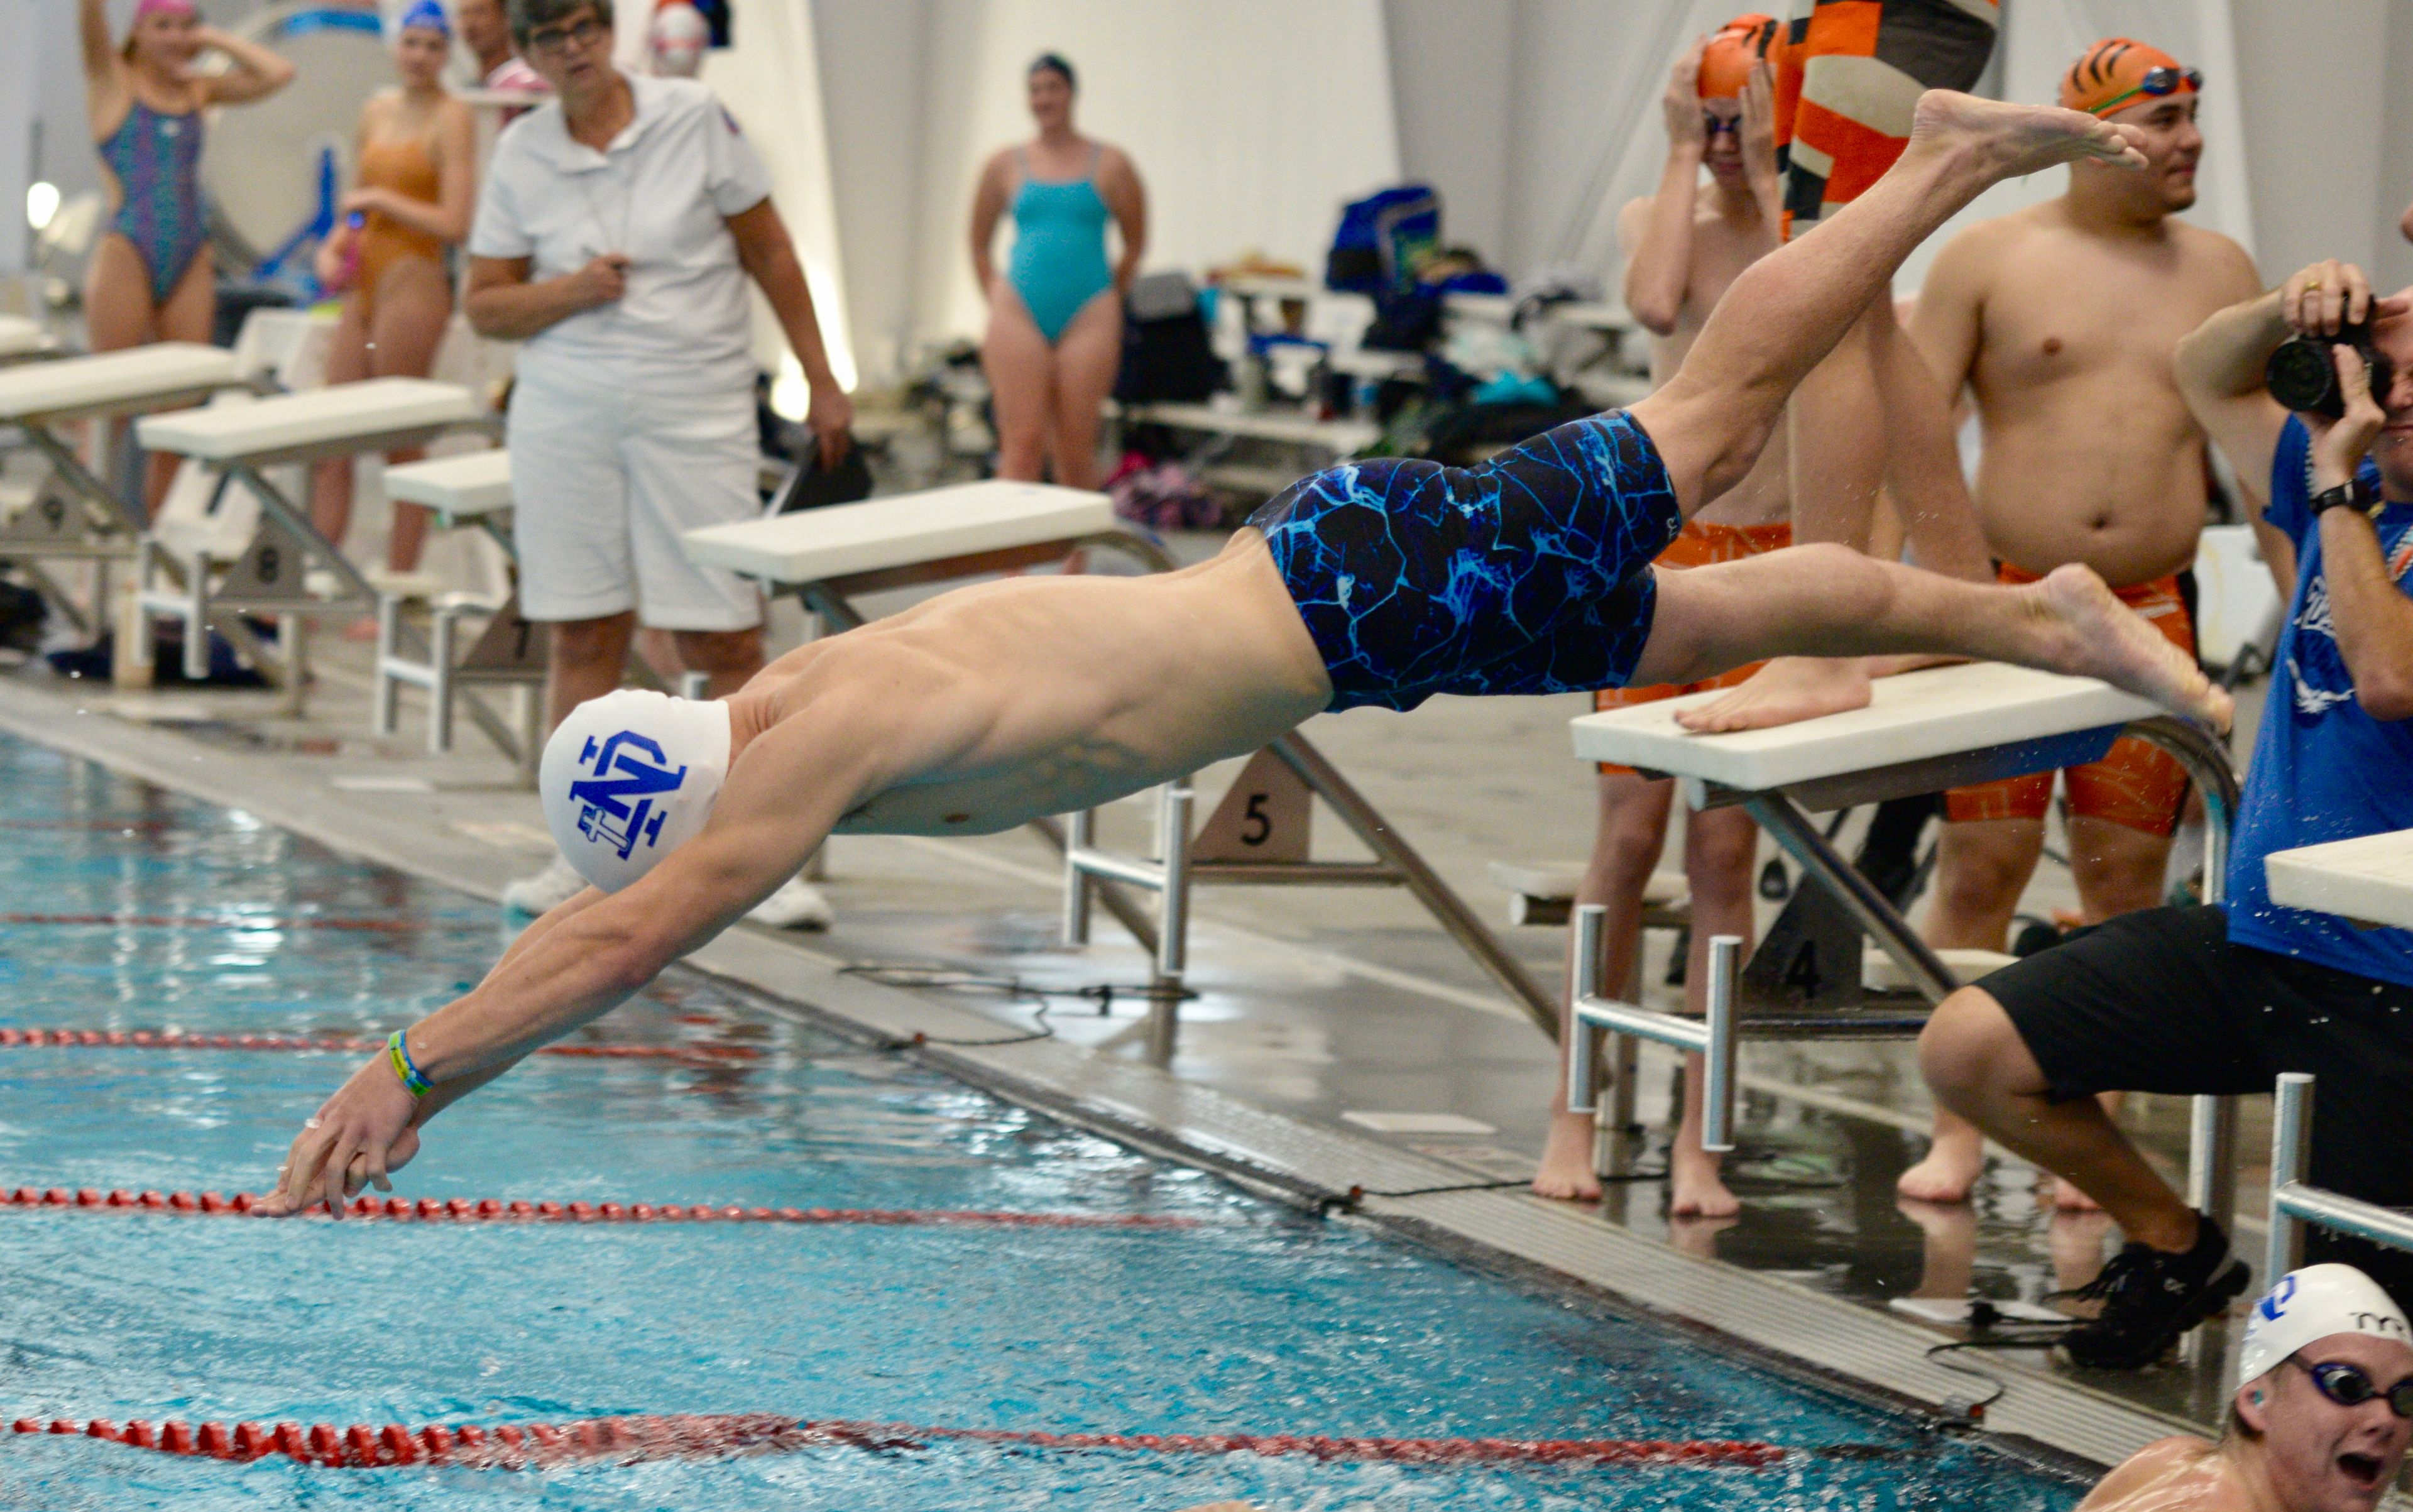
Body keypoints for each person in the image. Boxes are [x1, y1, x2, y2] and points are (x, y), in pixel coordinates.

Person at [253, 92, 2226, 1222]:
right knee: (1697, 612)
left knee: (1703, 424)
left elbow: (618, 939)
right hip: (1342, 607)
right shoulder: (768, 704)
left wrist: (413, 1065)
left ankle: (1939, 163)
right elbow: (613, 905)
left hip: (1353, 591)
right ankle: (2033, 616)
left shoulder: (792, 764)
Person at [1916, 258, 2413, 1370]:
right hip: (2263, 945)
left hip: (2396, 984)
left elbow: (2390, 678)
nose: (2394, 398)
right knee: (1973, 1045)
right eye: (2382, 374)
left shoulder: (2344, 498)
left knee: (2348, 1351)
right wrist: (2291, 307)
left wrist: (2335, 492)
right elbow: (2204, 366)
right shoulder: (2348, 482)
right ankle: (2175, 1246)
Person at [1891, 40, 2263, 1210]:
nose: (2190, 138)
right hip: (2010, 605)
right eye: (2165, 119)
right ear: (2092, 131)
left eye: (2195, 114)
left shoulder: (2222, 267)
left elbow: (2261, 461)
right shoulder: (1993, 255)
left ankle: (2075, 1125)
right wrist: (1933, 590)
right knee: (1983, 868)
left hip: (2152, 607)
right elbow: (1912, 424)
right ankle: (1959, 1125)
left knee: (2126, 882)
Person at [1152, 1264, 2413, 1512]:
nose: (2381, 1421)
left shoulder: (2172, 1470)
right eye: (2348, 1385)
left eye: (2404, 1401)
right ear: (2257, 1397)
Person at [461, 0, 851, 930]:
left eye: (587, 27)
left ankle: (762, 853)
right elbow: (484, 307)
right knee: (582, 632)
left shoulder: (693, 118)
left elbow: (770, 248)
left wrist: (823, 377)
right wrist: (573, 290)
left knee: (723, 634)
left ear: (610, 30)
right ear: (528, 54)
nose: (575, 49)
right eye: (552, 37)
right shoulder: (521, 154)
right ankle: (584, 852)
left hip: (697, 403)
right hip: (567, 410)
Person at [1535, 18, 1788, 1216]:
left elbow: (1808, 285)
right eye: (1715, 121)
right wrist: (1686, 149)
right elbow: (1650, 304)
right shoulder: (1662, 218)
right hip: (1666, 557)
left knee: (1725, 855)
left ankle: (1702, 1139)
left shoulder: (1803, 231)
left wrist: (1777, 167)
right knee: (1628, 841)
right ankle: (1575, 1110)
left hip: (1774, 562)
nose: (1732, 145)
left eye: (1747, 121)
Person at [1682, 0, 2002, 736]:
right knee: (1864, 308)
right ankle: (1958, 595)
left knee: (1827, 307)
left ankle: (1820, 643)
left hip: (1889, 16)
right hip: (1837, 18)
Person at [77, 0, 293, 510]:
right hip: (128, 246)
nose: (176, 38)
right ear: (138, 32)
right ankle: (94, 546)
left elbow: (279, 72)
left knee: (180, 405)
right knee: (107, 407)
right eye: (163, 27)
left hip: (189, 253)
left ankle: (153, 547)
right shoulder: (112, 79)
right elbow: (88, 18)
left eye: (184, 27)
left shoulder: (198, 88)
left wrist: (213, 38)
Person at [309, 1, 478, 590]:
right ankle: (319, 574)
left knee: (397, 442)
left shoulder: (453, 116)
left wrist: (381, 204)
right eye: (412, 44)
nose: (421, 57)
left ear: (447, 54)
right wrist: (333, 246)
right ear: (394, 46)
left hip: (416, 281)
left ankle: (398, 585)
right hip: (364, 282)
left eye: (434, 47)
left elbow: (457, 221)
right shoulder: (375, 110)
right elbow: (355, 202)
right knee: (331, 439)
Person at [968, 53, 1146, 491]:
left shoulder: (1111, 164)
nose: (1044, 98)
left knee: (1075, 446)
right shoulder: (1004, 164)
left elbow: (1135, 240)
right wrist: (995, 296)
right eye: (1036, 89)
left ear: (1071, 94)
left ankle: (1074, 560)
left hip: (1088, 308)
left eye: (1053, 88)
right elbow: (977, 243)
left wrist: (1110, 296)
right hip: (1019, 308)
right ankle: (1012, 561)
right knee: (1022, 443)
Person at [454, 0, 551, 121]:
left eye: (480, 12)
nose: (470, 23)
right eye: (463, 14)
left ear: (506, 18)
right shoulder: (464, 92)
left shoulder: (530, 85)